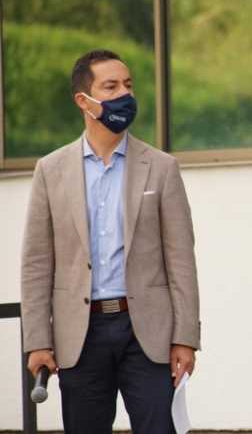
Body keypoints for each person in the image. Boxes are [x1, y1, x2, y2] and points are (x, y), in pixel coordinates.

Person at [21, 49, 201, 434]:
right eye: (111, 86)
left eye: (128, 85)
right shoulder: (50, 171)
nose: (124, 94)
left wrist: (186, 337)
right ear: (84, 101)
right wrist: (38, 340)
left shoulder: (162, 167)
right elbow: (37, 263)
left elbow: (181, 259)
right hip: (79, 335)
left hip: (148, 334)